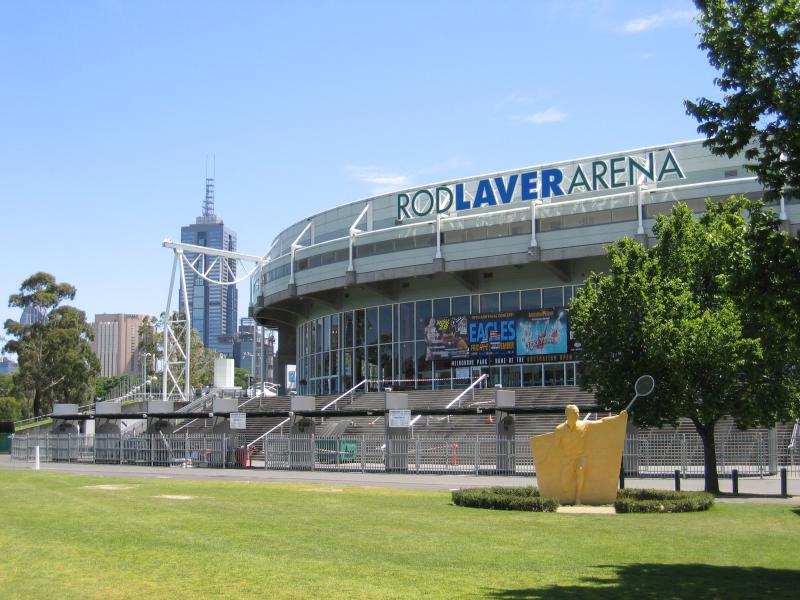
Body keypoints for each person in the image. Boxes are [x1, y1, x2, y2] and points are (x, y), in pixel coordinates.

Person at [554, 404, 627, 505]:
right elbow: (555, 447)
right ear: (568, 414)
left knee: (580, 470)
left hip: (581, 457)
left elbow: (601, 422)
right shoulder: (560, 429)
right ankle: (568, 497)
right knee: (565, 485)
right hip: (568, 459)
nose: (578, 415)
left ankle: (578, 498)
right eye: (576, 413)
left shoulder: (584, 424)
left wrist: (618, 417)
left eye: (578, 412)